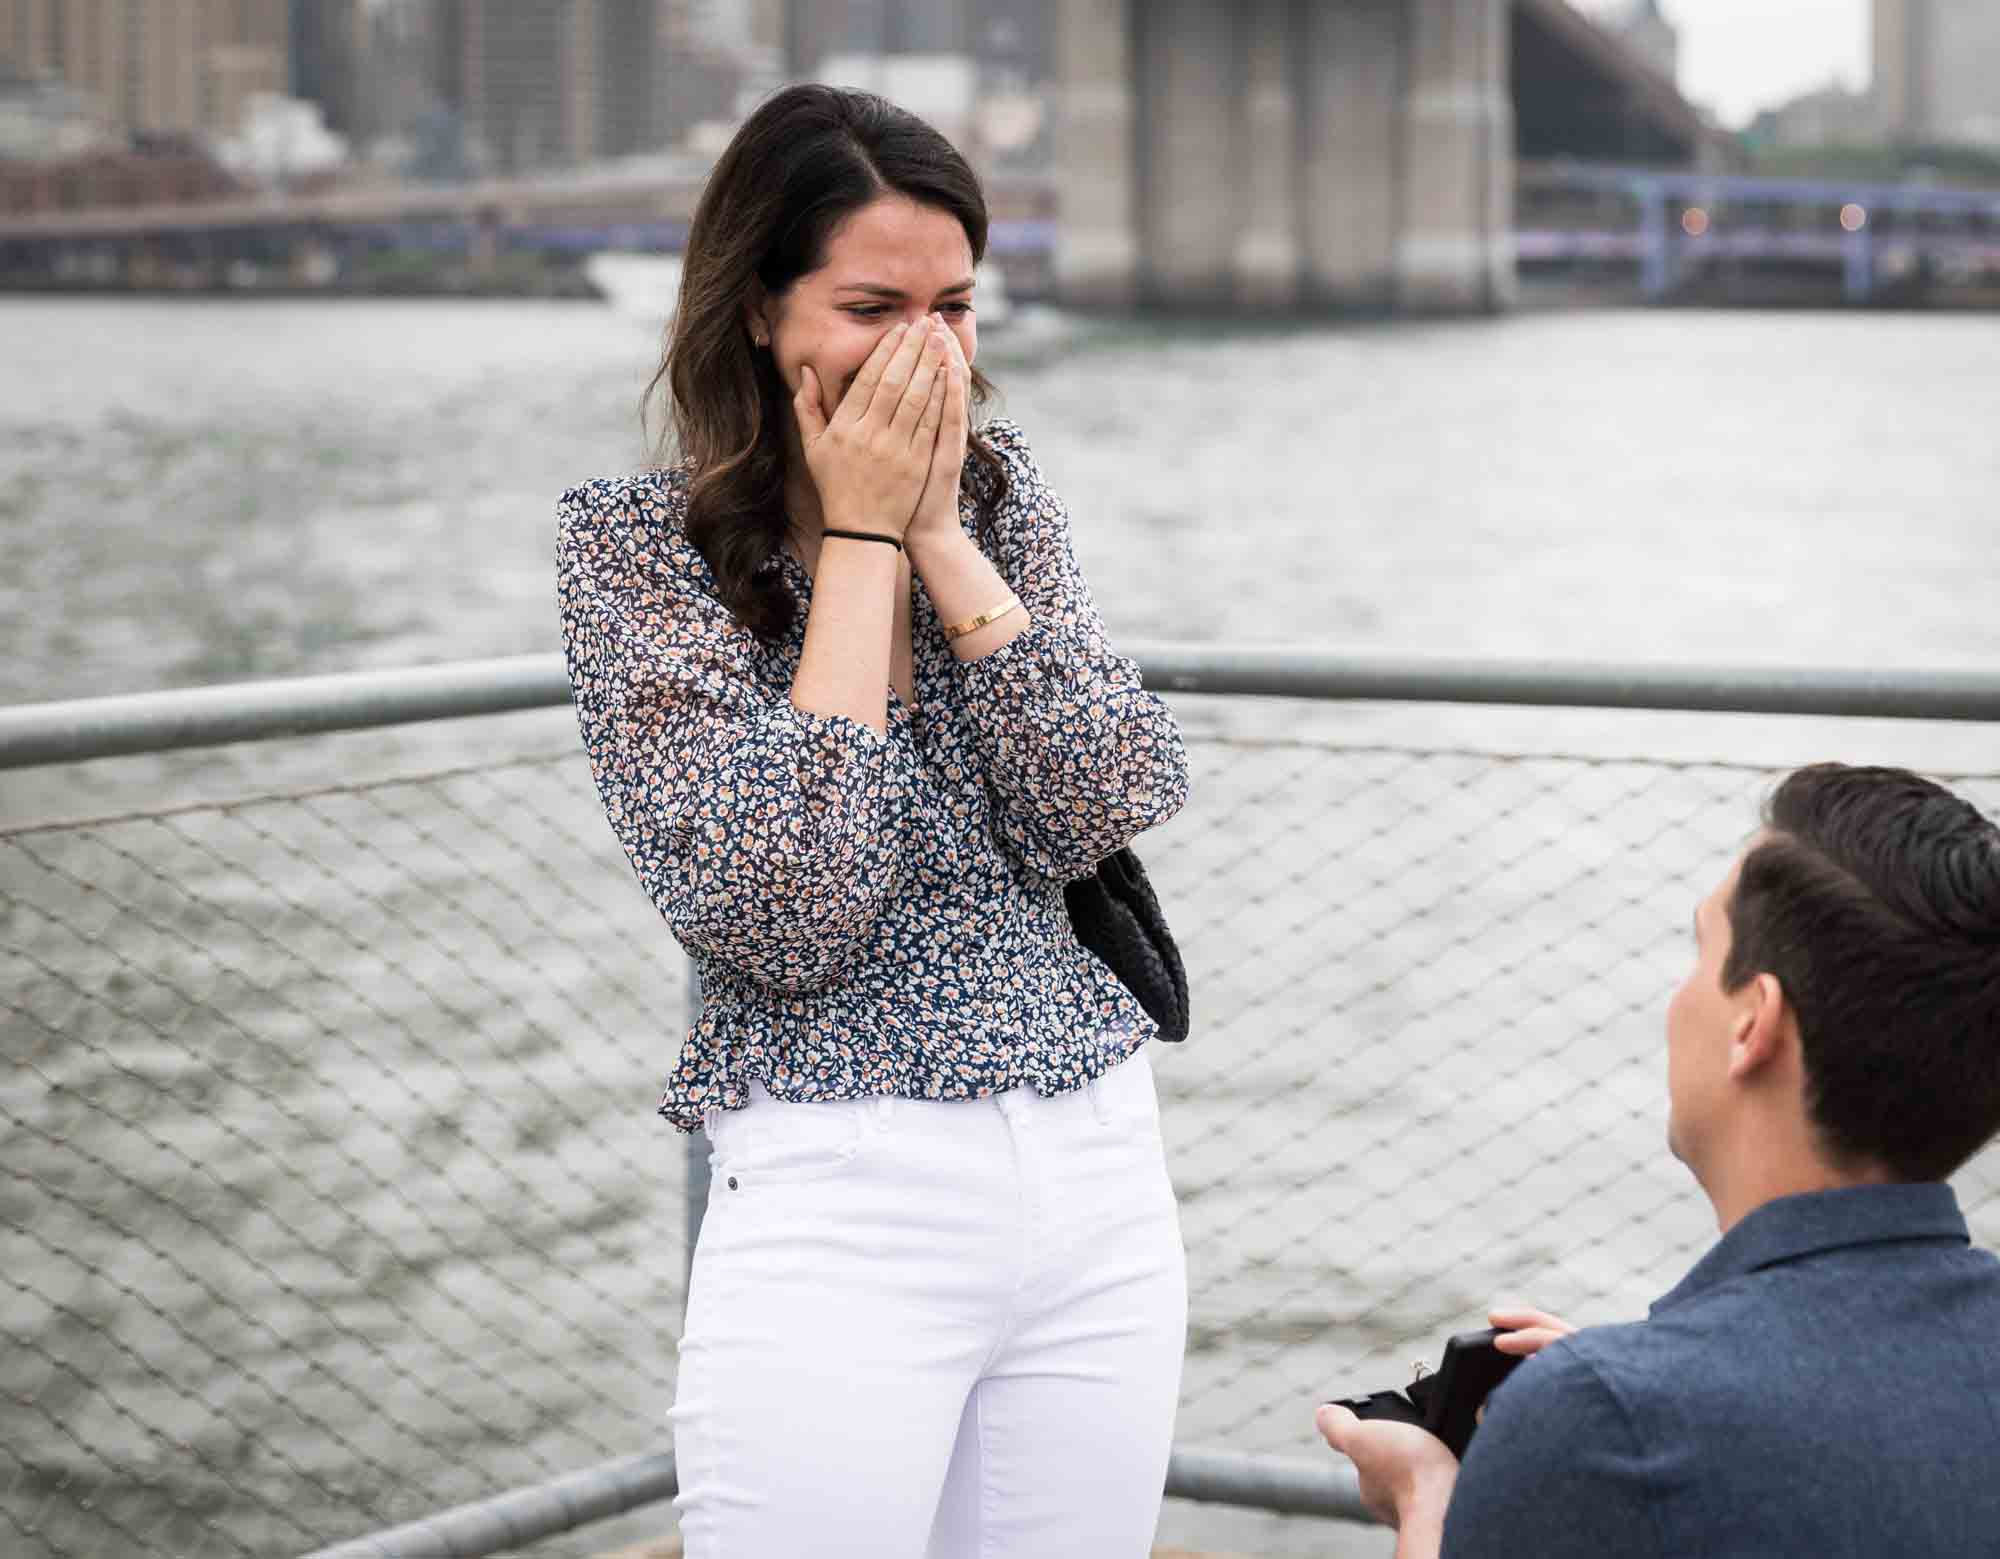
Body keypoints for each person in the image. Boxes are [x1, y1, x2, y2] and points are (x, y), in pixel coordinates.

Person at [555, 85, 1190, 1558]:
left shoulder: (1003, 497)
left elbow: (1107, 791)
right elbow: (789, 911)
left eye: (955, 307)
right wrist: (853, 542)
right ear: (764, 313)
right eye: (873, 304)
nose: (926, 351)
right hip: (841, 1179)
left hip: (1094, 1156)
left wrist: (938, 534)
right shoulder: (637, 551)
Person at [1318, 762, 2000, 1558]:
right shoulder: (1620, 1411)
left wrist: (1428, 1495)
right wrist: (1636, 1380)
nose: (1677, 1000)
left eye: (1700, 953)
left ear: (1755, 1022)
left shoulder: (1604, 1423)